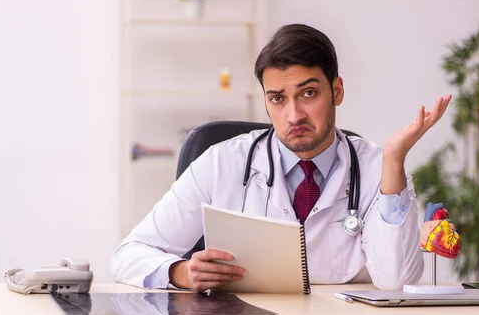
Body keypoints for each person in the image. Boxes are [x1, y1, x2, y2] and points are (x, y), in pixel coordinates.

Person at [111, 23, 451, 291]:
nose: (294, 115)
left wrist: (393, 161)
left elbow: (396, 282)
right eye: (277, 99)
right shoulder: (222, 163)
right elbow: (128, 256)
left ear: (337, 91)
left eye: (308, 93)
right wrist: (180, 271)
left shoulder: (378, 167)